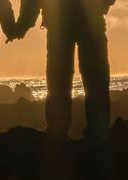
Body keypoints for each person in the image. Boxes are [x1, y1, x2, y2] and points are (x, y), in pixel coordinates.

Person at [17, 0, 113, 138]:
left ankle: (60, 130)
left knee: (61, 77)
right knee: (93, 77)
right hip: (83, 20)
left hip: (62, 21)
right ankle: (96, 131)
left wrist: (23, 24)